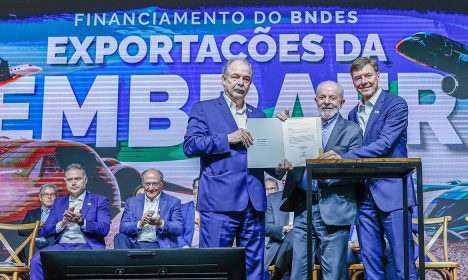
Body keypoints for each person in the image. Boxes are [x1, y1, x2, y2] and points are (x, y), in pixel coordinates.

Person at [183, 58, 291, 280]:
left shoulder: (259, 116)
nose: (240, 82)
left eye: (246, 78)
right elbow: (190, 145)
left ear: (250, 84)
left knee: (254, 270)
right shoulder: (204, 108)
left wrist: (280, 165)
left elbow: (266, 161)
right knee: (214, 267)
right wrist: (227, 139)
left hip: (254, 204)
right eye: (235, 77)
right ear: (224, 80)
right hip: (218, 203)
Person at [320, 57, 417, 279]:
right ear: (353, 82)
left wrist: (342, 157)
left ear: (378, 76)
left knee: (403, 264)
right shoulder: (353, 113)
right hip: (363, 197)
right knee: (371, 266)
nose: (363, 81)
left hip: (393, 194)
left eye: (367, 76)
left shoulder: (396, 104)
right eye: (357, 78)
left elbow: (384, 144)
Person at [279, 81, 363, 279]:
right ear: (315, 100)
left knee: (333, 275)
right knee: (297, 274)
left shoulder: (352, 130)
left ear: (341, 102)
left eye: (332, 98)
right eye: (322, 97)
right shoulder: (303, 127)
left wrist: (327, 174)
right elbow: (289, 158)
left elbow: (357, 172)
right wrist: (285, 131)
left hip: (335, 209)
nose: (327, 102)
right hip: (303, 209)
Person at [29, 163, 111, 280]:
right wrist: (62, 223)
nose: (73, 183)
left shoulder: (99, 200)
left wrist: (81, 221)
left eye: (77, 179)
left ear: (85, 180)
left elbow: (104, 229)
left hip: (87, 246)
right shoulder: (58, 202)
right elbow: (45, 231)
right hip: (61, 246)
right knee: (37, 259)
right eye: (69, 179)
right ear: (65, 181)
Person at [114, 168, 183, 249]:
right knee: (119, 237)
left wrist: (161, 223)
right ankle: (123, 262)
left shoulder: (173, 202)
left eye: (155, 184)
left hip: (160, 245)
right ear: (142, 184)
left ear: (161, 184)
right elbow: (123, 228)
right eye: (147, 184)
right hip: (136, 244)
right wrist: (140, 223)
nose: (150, 188)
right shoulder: (131, 202)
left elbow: (178, 228)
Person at [264, 178, 294, 280]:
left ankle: (278, 273)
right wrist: (282, 229)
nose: (285, 177)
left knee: (295, 234)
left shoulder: (310, 196)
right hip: (278, 247)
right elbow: (266, 227)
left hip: (305, 244)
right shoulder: (271, 199)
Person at [18, 184, 58, 259]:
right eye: (46, 194)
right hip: (33, 245)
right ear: (40, 197)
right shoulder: (32, 213)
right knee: (29, 246)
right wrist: (40, 230)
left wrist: (39, 230)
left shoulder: (61, 213)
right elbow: (22, 231)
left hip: (51, 245)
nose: (49, 197)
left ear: (56, 197)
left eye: (52, 194)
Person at [178, 178, 199, 248]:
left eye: (202, 188)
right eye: (196, 188)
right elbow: (177, 233)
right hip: (187, 251)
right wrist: (184, 247)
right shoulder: (182, 209)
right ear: (193, 191)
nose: (199, 191)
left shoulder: (214, 212)